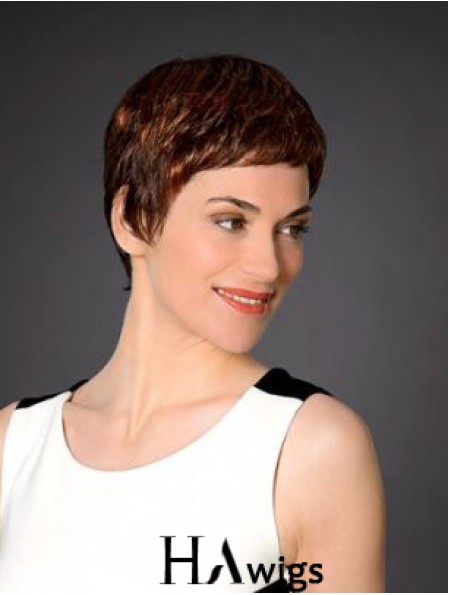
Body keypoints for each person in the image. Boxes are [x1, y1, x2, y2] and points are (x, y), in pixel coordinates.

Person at [0, 54, 385, 593]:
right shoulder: (13, 445)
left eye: (291, 229)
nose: (269, 266)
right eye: (231, 221)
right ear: (133, 220)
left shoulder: (313, 449)